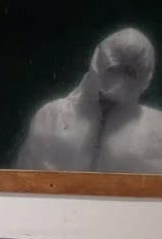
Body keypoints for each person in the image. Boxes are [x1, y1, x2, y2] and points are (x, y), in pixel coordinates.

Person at [17, 28, 162, 172]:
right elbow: (28, 177)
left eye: (131, 72)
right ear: (99, 62)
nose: (121, 78)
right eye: (114, 67)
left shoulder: (155, 127)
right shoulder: (53, 116)